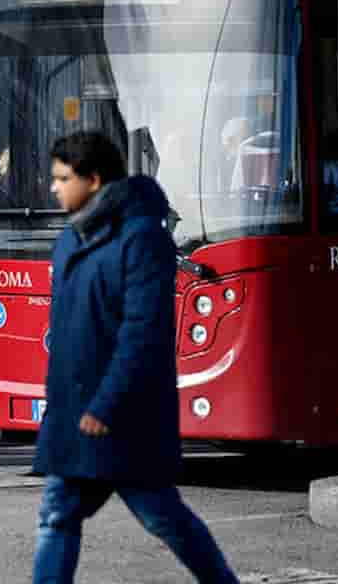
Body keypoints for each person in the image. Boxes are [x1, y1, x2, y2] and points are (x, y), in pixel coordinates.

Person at [32, 131, 239, 584]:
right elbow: (69, 333)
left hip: (123, 417)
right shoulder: (71, 239)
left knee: (162, 516)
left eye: (62, 178)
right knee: (57, 516)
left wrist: (107, 404)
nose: (53, 187)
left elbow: (143, 333)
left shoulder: (142, 237)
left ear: (94, 179)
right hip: (76, 415)